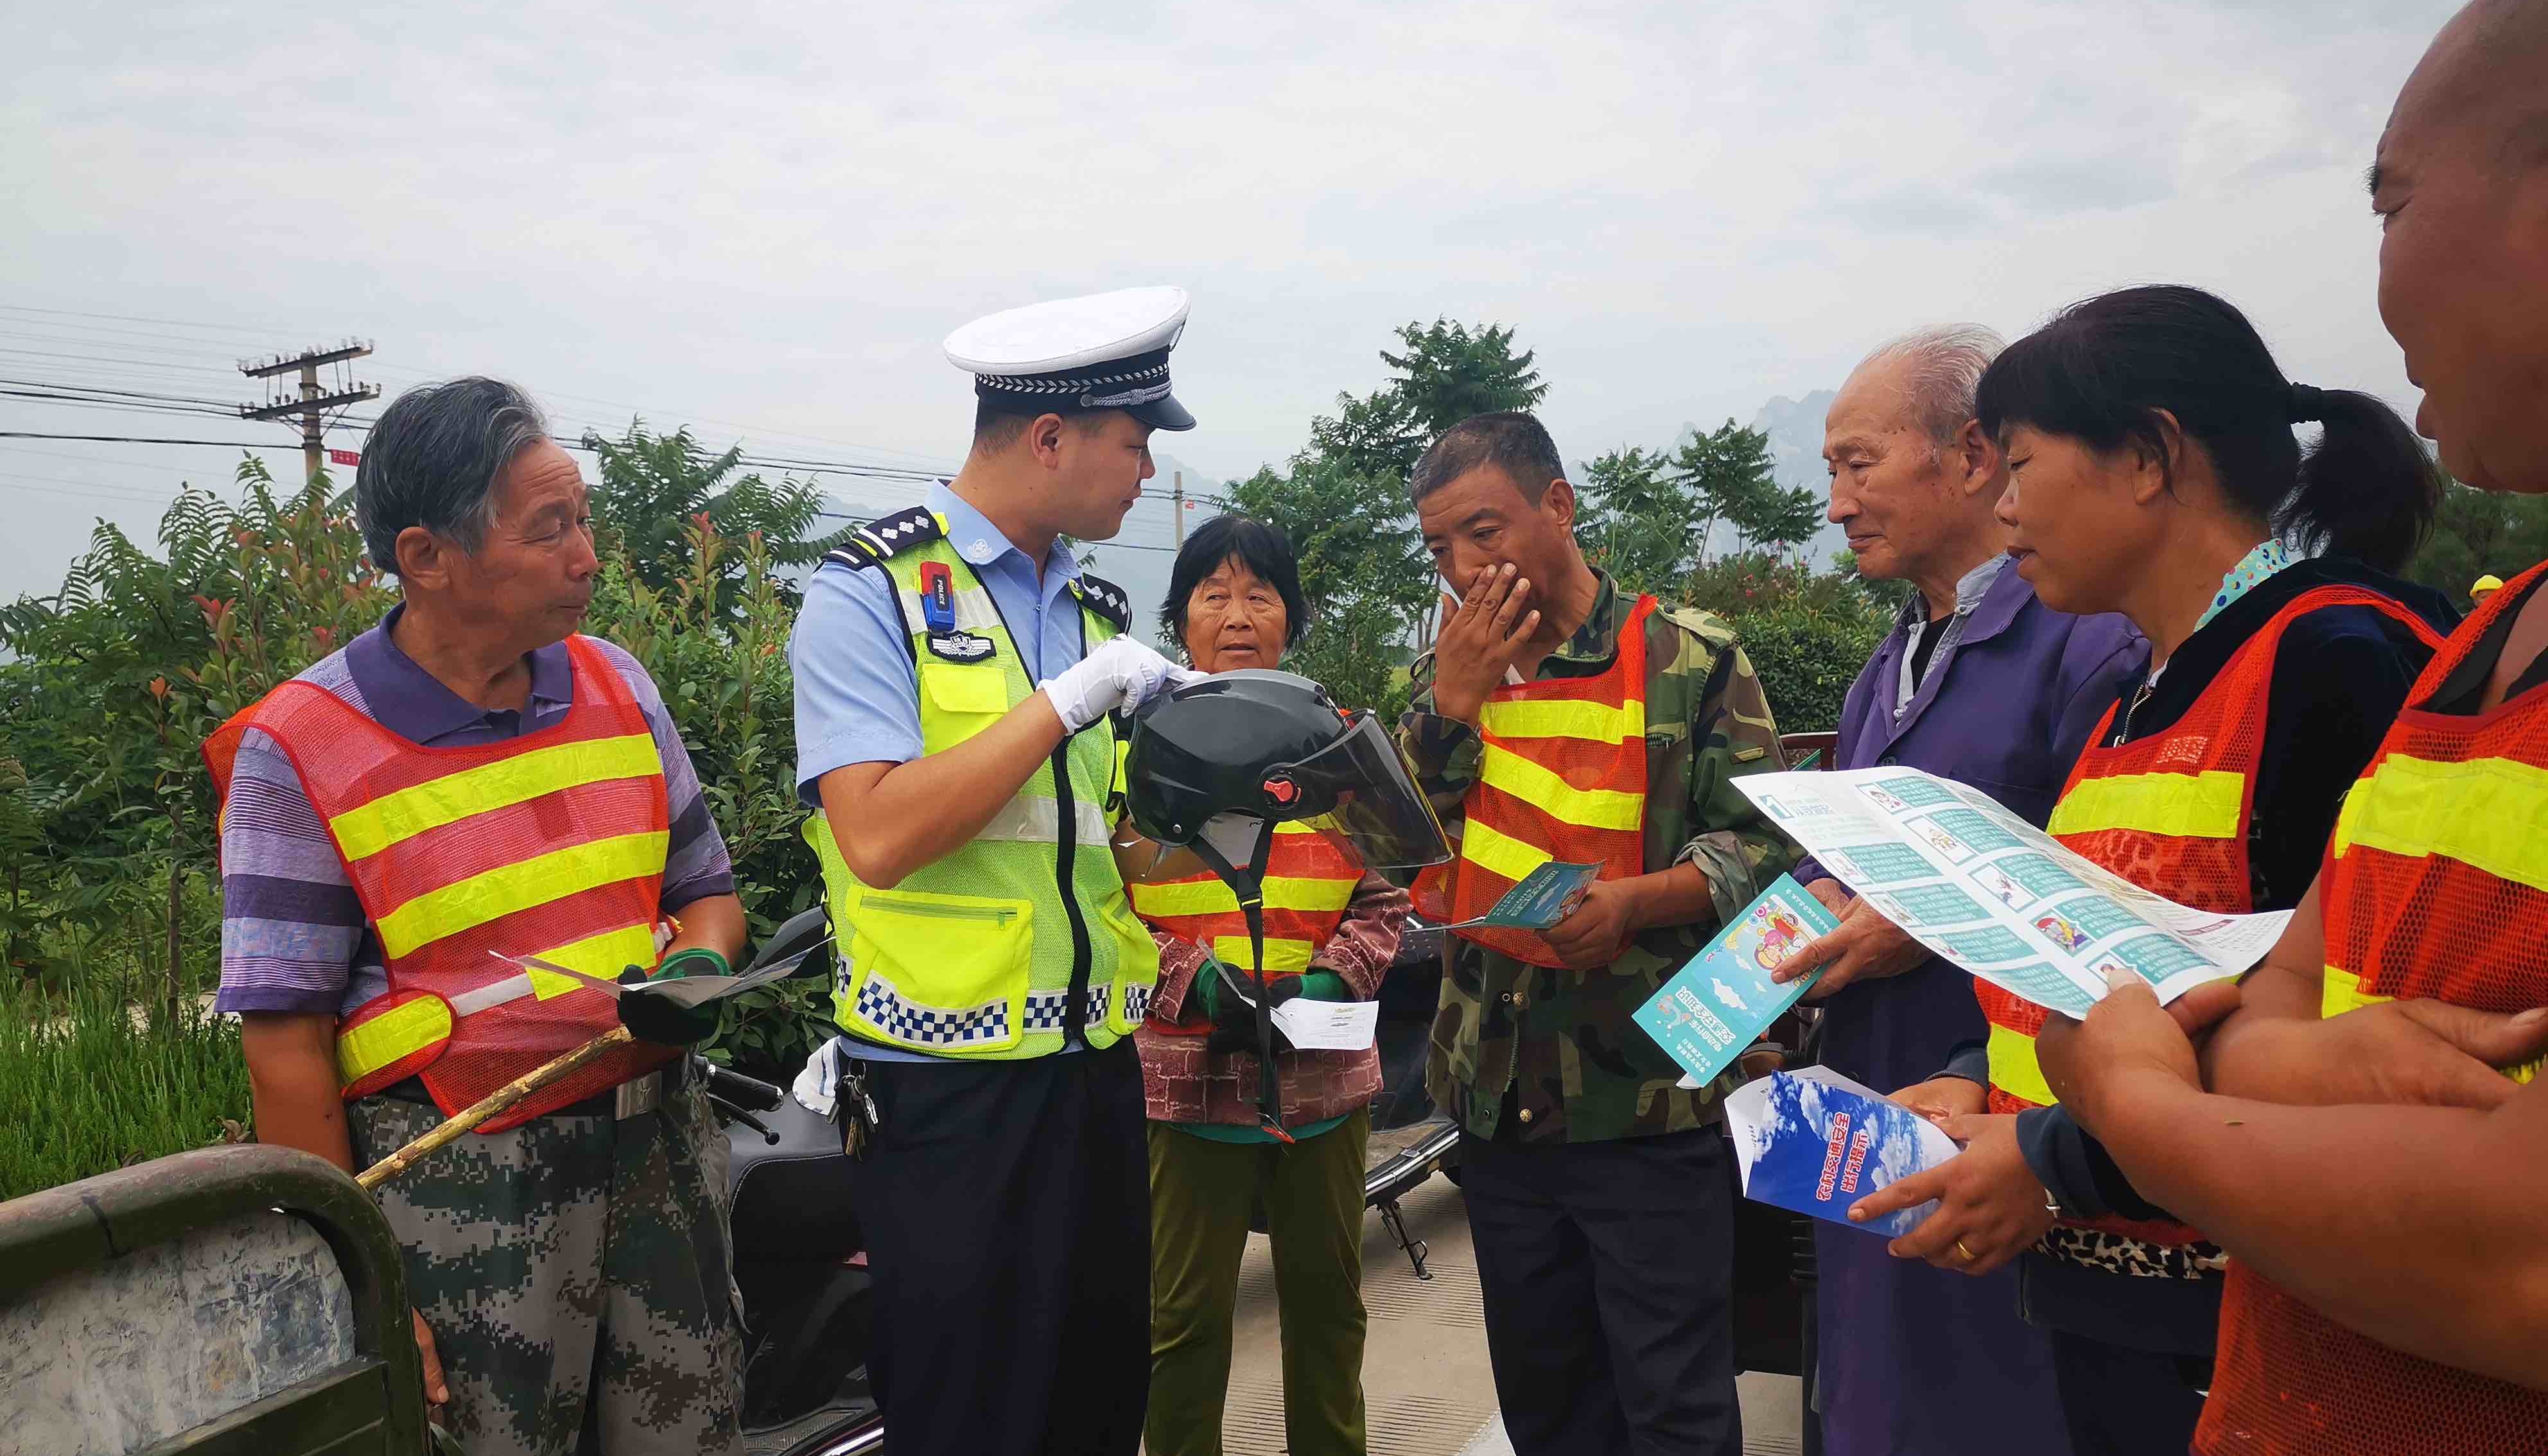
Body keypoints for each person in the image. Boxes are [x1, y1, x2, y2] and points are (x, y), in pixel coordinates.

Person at [2038, 2, 2548, 1449]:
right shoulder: (2481, 645)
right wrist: (2287, 1066)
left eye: (2388, 198)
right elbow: (2276, 1009)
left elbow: (2520, 1259)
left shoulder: (2343, 646)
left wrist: (2147, 1110)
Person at [1849, 284, 2456, 1456]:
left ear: (2146, 458)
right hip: (2120, 1293)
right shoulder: (2146, 690)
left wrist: (2056, 1154)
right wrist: (1993, 1079)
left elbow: (2358, 1040)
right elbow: (2136, 966)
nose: (2005, 506)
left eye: (2021, 465)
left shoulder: (2343, 659)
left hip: (2266, 1321)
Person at [205, 377, 749, 1456]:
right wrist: (361, 1288)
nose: (588, 555)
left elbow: (706, 894)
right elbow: (286, 1047)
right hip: (459, 1200)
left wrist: (694, 972)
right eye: (550, 530)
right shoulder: (300, 749)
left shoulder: (619, 683)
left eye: (583, 518)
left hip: (658, 1155)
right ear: (425, 557)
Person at [788, 286, 1200, 1456]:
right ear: (1052, 438)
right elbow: (874, 832)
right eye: (1134, 444)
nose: (1143, 472)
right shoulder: (869, 593)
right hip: (948, 1092)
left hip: (1097, 1074)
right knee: (972, 1414)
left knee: (1097, 1402)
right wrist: (1065, 702)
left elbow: (1098, 841)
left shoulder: (1096, 604)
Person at [1776, 325, 2142, 1456]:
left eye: (1858, 463)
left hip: (2004, 1122)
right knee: (1869, 1397)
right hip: (1868, 1109)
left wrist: (1928, 926)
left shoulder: (2085, 644)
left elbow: (2123, 894)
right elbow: (1825, 864)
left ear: (1975, 455)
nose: (1836, 503)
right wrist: (1733, 999)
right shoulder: (1887, 667)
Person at [1400, 411, 1793, 1456]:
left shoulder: (1688, 657)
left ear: (1559, 508)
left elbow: (1767, 850)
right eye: (1441, 550)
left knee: (1674, 1404)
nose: (1464, 569)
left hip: (1647, 1104)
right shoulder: (1450, 676)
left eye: (1485, 533)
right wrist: (1448, 709)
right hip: (1495, 1103)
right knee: (1549, 1403)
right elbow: (1401, 853)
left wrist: (1637, 903)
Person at [1122, 516, 1410, 1456]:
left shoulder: (1338, 741)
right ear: (1181, 618)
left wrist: (1337, 977)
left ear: (1293, 616)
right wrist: (1192, 984)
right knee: (1181, 1327)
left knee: (1329, 1315)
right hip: (1184, 1079)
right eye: (1214, 594)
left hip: (1326, 1079)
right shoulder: (1131, 752)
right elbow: (1103, 900)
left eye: (1261, 594)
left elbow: (1388, 883)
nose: (1238, 614)